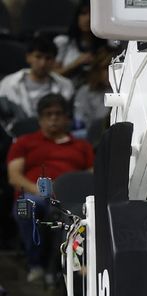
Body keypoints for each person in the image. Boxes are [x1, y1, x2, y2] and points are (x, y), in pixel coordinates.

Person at [8, 93, 94, 284]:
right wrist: (39, 190)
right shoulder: (24, 143)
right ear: (40, 119)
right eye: (48, 114)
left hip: (69, 198)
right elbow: (14, 176)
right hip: (34, 194)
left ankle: (70, 271)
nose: (53, 118)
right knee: (26, 207)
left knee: (78, 214)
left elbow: (91, 174)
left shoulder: (82, 146)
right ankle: (35, 265)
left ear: (67, 118)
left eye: (58, 114)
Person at [0, 36, 73, 123]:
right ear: (28, 57)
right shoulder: (7, 83)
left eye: (48, 58)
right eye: (38, 57)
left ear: (54, 60)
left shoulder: (66, 86)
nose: (43, 63)